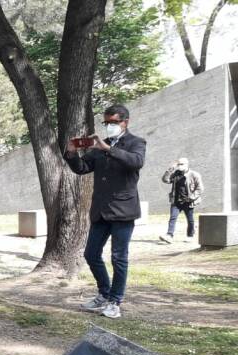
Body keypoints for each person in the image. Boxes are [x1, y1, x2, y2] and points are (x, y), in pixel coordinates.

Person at [65, 103, 146, 320]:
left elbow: (137, 162)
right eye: (106, 123)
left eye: (113, 122)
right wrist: (72, 153)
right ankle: (104, 293)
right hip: (100, 211)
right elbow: (81, 168)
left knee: (119, 258)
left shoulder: (135, 143)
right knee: (91, 254)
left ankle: (115, 301)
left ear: (125, 122)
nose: (109, 126)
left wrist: (109, 149)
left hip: (123, 211)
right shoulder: (100, 146)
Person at [160, 157, 202, 244]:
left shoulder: (194, 175)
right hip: (176, 200)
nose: (179, 166)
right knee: (172, 218)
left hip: (188, 201)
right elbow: (165, 180)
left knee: (190, 220)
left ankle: (190, 235)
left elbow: (200, 188)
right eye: (178, 164)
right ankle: (169, 235)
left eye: (181, 164)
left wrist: (191, 198)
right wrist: (169, 170)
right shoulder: (175, 174)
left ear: (187, 165)